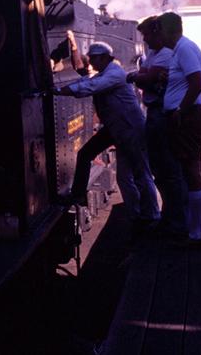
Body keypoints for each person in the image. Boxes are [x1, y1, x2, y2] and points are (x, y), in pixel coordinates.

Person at [54, 41, 160, 235]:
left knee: (140, 174)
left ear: (104, 57)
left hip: (130, 128)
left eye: (94, 58)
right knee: (91, 157)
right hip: (115, 128)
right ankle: (132, 214)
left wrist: (60, 91)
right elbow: (85, 81)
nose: (91, 61)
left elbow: (90, 87)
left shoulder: (115, 74)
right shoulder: (105, 72)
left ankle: (152, 216)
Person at [127, 17, 189, 241]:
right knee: (160, 170)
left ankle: (178, 223)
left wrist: (140, 76)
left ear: (157, 32)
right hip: (153, 112)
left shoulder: (165, 54)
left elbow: (147, 78)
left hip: (163, 113)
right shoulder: (153, 54)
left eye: (147, 35)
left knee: (170, 169)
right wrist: (142, 76)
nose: (144, 40)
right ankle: (170, 217)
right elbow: (144, 76)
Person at [158, 12, 201, 246]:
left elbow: (196, 82)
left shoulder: (185, 49)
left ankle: (196, 234)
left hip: (187, 117)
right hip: (190, 115)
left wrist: (179, 109)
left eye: (158, 31)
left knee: (191, 171)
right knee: (198, 169)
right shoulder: (186, 48)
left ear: (167, 30)